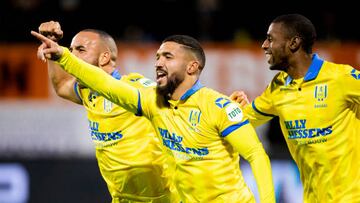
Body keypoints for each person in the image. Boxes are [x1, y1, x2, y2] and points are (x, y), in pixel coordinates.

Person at [31, 31, 276, 202]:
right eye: (157, 56)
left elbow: (256, 155)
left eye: (168, 57)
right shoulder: (152, 103)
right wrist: (63, 56)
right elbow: (105, 85)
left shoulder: (217, 106)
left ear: (192, 67)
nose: (158, 61)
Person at [37, 21, 179, 203]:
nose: (71, 56)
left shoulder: (134, 87)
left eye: (80, 50)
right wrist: (51, 45)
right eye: (70, 50)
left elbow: (174, 102)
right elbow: (62, 85)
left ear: (104, 58)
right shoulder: (87, 91)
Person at [230, 14, 360, 202]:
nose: (264, 45)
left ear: (293, 43)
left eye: (270, 39)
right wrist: (227, 108)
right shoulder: (278, 88)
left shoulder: (341, 78)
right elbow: (240, 121)